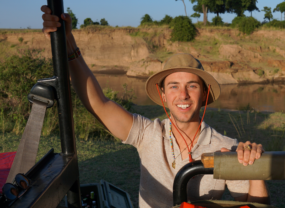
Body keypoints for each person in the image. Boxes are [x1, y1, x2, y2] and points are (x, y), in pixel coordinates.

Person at [41, 5, 269, 208]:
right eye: (173, 86)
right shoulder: (148, 134)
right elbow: (100, 104)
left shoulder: (225, 147)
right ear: (163, 94)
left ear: (205, 93)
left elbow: (253, 204)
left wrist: (254, 169)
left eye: (192, 86)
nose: (183, 95)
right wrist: (67, 42)